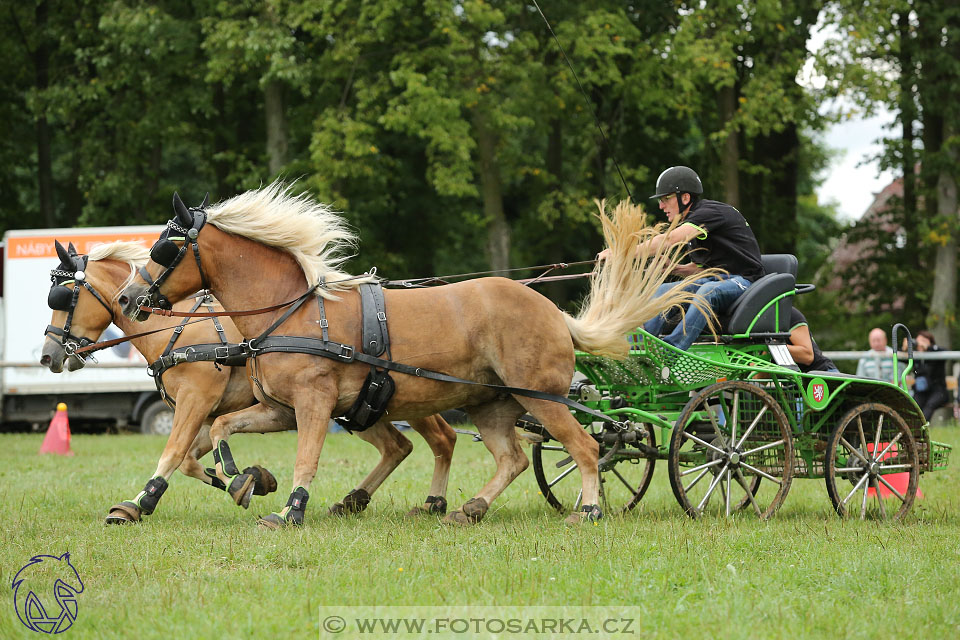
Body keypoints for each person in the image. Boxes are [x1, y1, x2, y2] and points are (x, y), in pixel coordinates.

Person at [599, 166, 765, 351]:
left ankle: (671, 351)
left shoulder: (708, 213)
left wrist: (620, 254)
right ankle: (637, 348)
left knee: (707, 292)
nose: (661, 206)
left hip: (745, 281)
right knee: (664, 290)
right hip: (718, 278)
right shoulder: (693, 221)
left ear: (685, 198)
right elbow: (705, 269)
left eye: (665, 199)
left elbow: (669, 239)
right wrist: (676, 268)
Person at [906, 330, 950, 421]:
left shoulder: (936, 352)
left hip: (939, 390)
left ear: (930, 342)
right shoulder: (916, 356)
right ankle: (911, 431)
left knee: (930, 404)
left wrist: (928, 348)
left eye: (923, 341)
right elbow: (899, 357)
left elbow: (946, 352)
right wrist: (905, 348)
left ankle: (922, 430)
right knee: (913, 407)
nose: (920, 344)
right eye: (918, 341)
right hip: (922, 391)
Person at [786, 308, 837, 373]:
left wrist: (772, 347)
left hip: (821, 374)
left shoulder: (788, 313)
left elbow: (807, 356)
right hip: (799, 379)